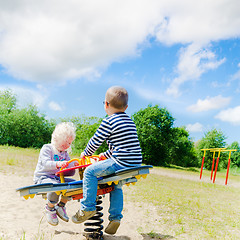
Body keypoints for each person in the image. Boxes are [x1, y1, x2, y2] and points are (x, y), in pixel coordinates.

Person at [72, 86, 142, 235]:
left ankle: (87, 208)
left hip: (120, 161)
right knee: (116, 184)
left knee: (90, 172)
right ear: (126, 107)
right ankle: (115, 218)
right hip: (134, 161)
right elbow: (120, 146)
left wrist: (85, 153)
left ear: (106, 104)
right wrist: (104, 155)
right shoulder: (130, 121)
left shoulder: (109, 121)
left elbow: (95, 141)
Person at [34, 122, 77, 226]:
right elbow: (45, 164)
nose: (67, 147)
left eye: (69, 144)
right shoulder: (47, 148)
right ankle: (50, 208)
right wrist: (58, 164)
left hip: (57, 178)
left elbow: (68, 170)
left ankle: (61, 205)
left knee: (75, 185)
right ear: (56, 139)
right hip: (43, 177)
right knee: (55, 186)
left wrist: (73, 165)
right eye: (64, 144)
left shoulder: (65, 153)